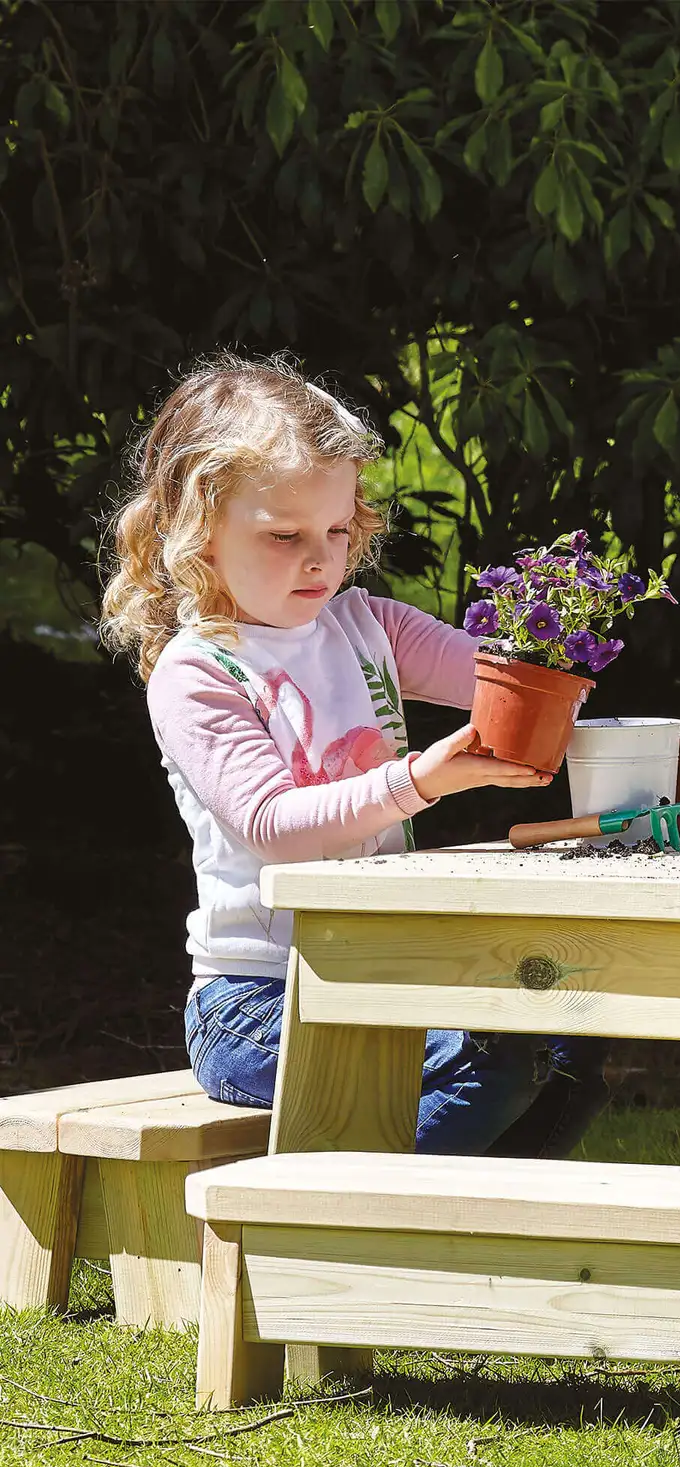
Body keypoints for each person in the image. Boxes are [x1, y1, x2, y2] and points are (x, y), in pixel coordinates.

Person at [99, 353, 608, 1157]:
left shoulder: (367, 625)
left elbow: (510, 688)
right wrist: (421, 781)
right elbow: (274, 828)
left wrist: (559, 648)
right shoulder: (200, 670)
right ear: (195, 528)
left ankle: (481, 1241)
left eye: (337, 531)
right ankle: (353, 1232)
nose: (320, 558)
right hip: (258, 1002)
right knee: (494, 1056)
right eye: (285, 535)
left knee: (572, 1039)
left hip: (379, 973)